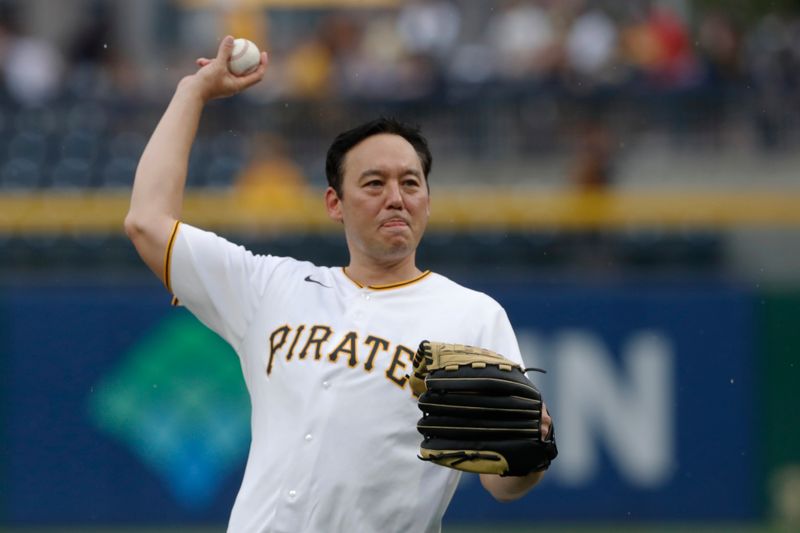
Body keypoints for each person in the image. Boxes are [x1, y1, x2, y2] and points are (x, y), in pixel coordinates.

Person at [125, 36, 551, 533]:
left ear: (428, 202)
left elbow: (503, 485)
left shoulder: (472, 315)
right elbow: (146, 222)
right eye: (374, 183)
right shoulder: (270, 288)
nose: (396, 197)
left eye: (411, 183)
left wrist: (530, 453)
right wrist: (192, 92)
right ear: (334, 203)